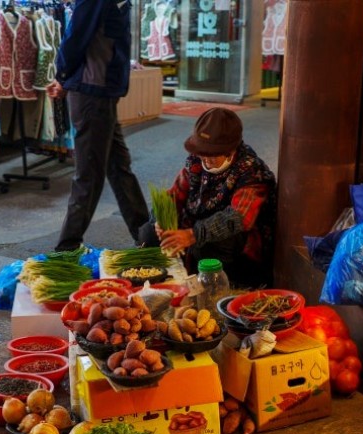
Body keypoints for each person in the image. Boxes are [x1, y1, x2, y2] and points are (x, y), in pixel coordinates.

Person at [46, 0, 150, 252]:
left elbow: (81, 38)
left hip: (100, 93)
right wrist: (63, 76)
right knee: (90, 175)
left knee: (117, 167)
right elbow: (77, 38)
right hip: (93, 93)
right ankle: (66, 250)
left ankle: (146, 237)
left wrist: (64, 77)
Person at [138, 107, 277, 287]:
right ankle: (159, 283)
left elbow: (238, 218)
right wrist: (161, 220)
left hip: (235, 244)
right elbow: (174, 194)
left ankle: (216, 286)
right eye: (202, 151)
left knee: (207, 246)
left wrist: (193, 234)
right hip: (194, 228)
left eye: (211, 154)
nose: (204, 158)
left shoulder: (252, 172)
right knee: (148, 233)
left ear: (230, 150)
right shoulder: (196, 161)